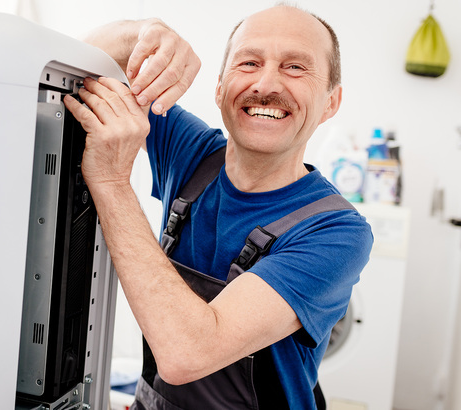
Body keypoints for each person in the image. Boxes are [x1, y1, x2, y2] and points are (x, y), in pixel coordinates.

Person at [64, 5, 373, 410]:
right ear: (219, 87)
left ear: (331, 102)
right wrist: (143, 33)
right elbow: (76, 69)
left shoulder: (336, 232)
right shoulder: (191, 153)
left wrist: (110, 182)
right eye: (249, 62)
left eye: (295, 67)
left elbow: (185, 353)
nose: (266, 83)